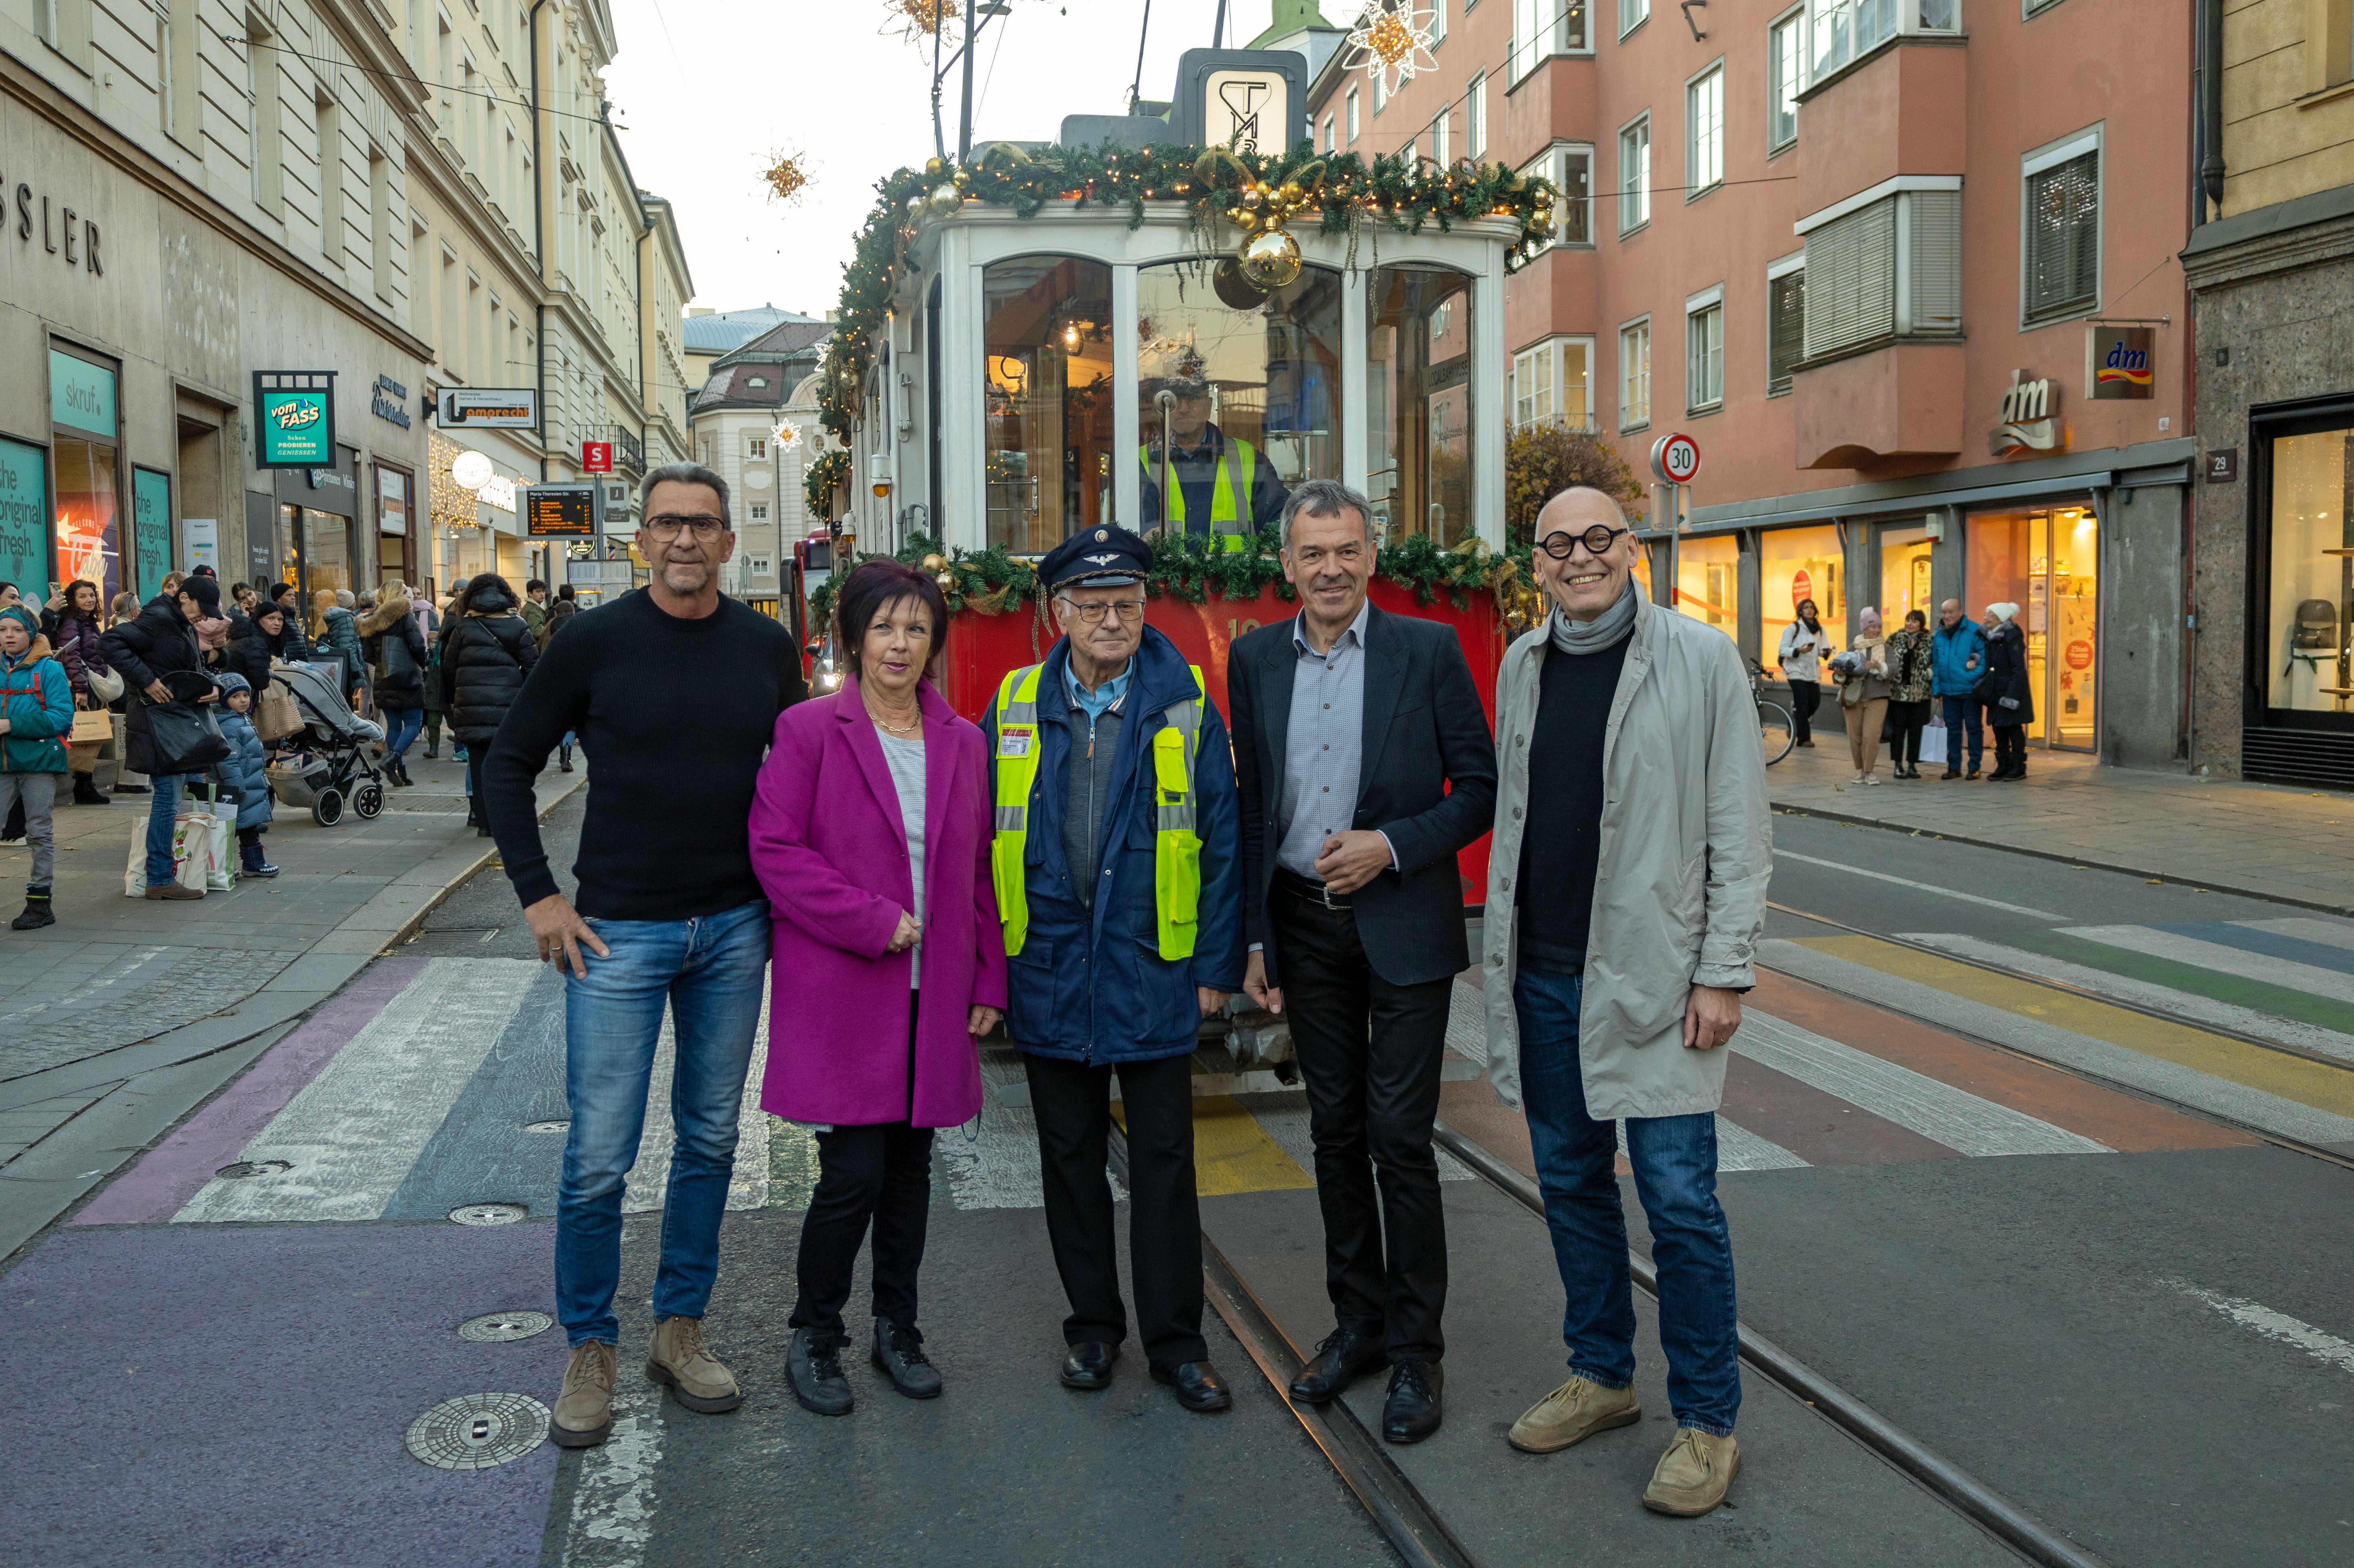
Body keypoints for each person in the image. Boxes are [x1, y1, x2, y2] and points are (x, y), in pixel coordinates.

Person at [481, 462, 805, 1449]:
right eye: (667, 523)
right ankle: (591, 1345)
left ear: (728, 541)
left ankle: (678, 1328)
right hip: (618, 931)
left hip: (735, 927)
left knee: (709, 1138)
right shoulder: (592, 639)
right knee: (597, 1159)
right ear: (642, 537)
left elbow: (801, 781)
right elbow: (506, 761)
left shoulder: (765, 647)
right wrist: (539, 893)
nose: (684, 540)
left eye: (702, 525)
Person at [1481, 486, 1770, 1520]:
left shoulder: (1699, 659)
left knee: (1681, 1203)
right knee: (1569, 1181)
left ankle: (1706, 1419)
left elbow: (1739, 824)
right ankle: (1602, 1373)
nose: (1580, 557)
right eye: (1558, 544)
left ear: (1632, 548)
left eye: (1599, 537)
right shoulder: (1523, 663)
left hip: (1656, 978)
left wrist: (1724, 969)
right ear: (1539, 562)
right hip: (1546, 974)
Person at [1228, 479, 1499, 1445]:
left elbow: (1477, 788)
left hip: (1404, 920)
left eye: (1346, 549)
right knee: (1334, 1132)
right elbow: (1255, 807)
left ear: (1371, 555)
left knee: (1397, 1132)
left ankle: (1419, 1353)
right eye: (1313, 553)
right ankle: (1361, 1326)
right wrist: (1255, 936)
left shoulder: (1426, 649)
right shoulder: (1256, 657)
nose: (1331, 567)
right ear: (1287, 566)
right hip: (1303, 925)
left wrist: (1392, 843)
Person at [982, 523, 1243, 1413]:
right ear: (1059, 613)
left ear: (1144, 608)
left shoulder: (1186, 704)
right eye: (1091, 606)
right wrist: (989, 972)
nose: (1110, 620)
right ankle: (1093, 1330)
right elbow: (981, 848)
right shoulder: (1015, 703)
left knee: (1167, 1162)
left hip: (1153, 964)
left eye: (1125, 605)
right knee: (1070, 1158)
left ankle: (1178, 1343)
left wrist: (1214, 961)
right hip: (1049, 963)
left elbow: (1220, 837)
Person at [750, 560, 1006, 1416]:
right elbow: (775, 851)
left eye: (917, 629)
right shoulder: (811, 729)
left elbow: (976, 868)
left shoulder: (964, 742)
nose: (900, 645)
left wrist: (987, 978)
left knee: (910, 1172)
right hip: (848, 984)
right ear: (855, 636)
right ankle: (816, 1331)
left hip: (933, 993)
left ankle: (898, 1327)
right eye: (885, 627)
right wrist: (872, 920)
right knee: (851, 1173)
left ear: (935, 642)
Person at [100, 575, 222, 902]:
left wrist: (215, 687)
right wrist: (146, 680)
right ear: (183, 597)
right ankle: (158, 877)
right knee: (166, 800)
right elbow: (109, 643)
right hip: (158, 725)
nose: (205, 616)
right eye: (202, 608)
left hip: (175, 723)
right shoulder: (159, 618)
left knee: (172, 798)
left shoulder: (179, 622)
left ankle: (164, 874)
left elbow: (190, 667)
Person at [441, 576, 538, 835]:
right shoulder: (519, 625)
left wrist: (459, 695)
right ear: (507, 596)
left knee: (478, 764)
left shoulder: (464, 627)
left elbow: (449, 666)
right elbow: (532, 667)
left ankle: (484, 824)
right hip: (508, 706)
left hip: (471, 706)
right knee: (505, 765)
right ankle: (504, 819)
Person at [1139, 377, 1290, 541]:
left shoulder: (1249, 458)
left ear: (1209, 406)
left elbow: (1281, 527)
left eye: (1193, 398)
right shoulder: (1140, 461)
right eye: (1174, 400)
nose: (1183, 408)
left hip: (1234, 568)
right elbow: (1133, 529)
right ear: (1160, 409)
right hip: (1165, 568)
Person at [0, 604, 73, 928]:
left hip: (39, 762)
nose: (9, 636)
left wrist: (11, 724)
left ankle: (40, 903)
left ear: (31, 632)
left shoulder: (49, 669)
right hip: (2, 763)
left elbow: (60, 717)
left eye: (16, 630)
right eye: (3, 630)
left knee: (39, 832)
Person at [359, 583, 427, 787]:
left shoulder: (371, 620)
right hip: (408, 678)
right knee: (414, 724)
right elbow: (418, 644)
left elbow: (367, 655)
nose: (409, 596)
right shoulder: (405, 615)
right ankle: (393, 759)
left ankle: (399, 772)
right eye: (406, 592)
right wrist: (421, 664)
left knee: (395, 725)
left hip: (383, 679)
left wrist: (383, 666)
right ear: (398, 594)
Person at [210, 673, 278, 879]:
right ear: (224, 700)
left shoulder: (241, 719)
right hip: (238, 787)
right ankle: (226, 867)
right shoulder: (229, 725)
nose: (243, 700)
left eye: (245, 695)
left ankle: (250, 864)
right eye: (235, 697)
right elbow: (228, 760)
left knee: (247, 826)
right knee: (232, 829)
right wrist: (236, 787)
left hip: (249, 784)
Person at [52, 580, 113, 805]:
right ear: (72, 599)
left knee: (89, 739)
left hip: (91, 685)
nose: (90, 600)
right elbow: (70, 656)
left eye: (92, 596)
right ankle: (83, 787)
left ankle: (85, 786)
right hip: (83, 687)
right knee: (84, 738)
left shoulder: (87, 622)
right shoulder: (72, 622)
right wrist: (80, 690)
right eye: (83, 596)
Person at [1831, 608, 1892, 785]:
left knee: (1871, 736)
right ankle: (1861, 771)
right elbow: (1838, 677)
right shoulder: (1854, 647)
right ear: (1864, 629)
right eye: (1873, 627)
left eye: (1879, 627)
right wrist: (1841, 673)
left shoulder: (1887, 648)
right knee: (1855, 737)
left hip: (1878, 697)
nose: (1877, 631)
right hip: (1853, 698)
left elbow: (1894, 670)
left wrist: (1879, 666)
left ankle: (1870, 771)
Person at [1930, 598, 1987, 780]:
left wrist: (1970, 678)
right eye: (1944, 612)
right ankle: (1954, 767)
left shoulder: (1974, 630)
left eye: (1950, 612)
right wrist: (1937, 689)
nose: (1946, 616)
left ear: (1961, 612)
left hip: (1969, 691)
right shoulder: (1940, 633)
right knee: (1953, 730)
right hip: (1948, 691)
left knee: (1973, 729)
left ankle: (1974, 767)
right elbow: (1937, 664)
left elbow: (1984, 659)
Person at [1982, 602, 2035, 781]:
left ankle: (2018, 767)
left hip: (2010, 691)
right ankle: (2004, 766)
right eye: (1986, 614)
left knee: (2013, 728)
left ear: (2001, 617)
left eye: (1990, 614)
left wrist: (2011, 696)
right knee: (1999, 728)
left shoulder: (2012, 637)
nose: (1986, 617)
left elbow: (2019, 669)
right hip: (1996, 691)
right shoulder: (1990, 637)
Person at [1885, 609, 1935, 780]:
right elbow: (1886, 660)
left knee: (1917, 731)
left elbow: (1937, 662)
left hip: (1920, 694)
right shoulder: (1895, 638)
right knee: (1898, 731)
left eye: (1914, 621)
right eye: (1908, 620)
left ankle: (1913, 765)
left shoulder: (1930, 640)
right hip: (1898, 694)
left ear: (1922, 624)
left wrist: (1930, 673)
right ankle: (1898, 765)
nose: (1909, 624)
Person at [1774, 599, 1827, 749]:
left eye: (1812, 608)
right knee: (1802, 703)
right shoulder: (1794, 628)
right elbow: (1782, 649)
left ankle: (1795, 722)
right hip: (1795, 670)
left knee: (1815, 703)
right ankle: (1804, 739)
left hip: (1812, 671)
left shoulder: (1820, 629)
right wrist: (1798, 650)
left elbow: (1823, 649)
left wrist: (1826, 652)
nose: (1810, 610)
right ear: (1800, 611)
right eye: (1806, 608)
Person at [545, 585, 580, 770]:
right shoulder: (580, 624)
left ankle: (561, 749)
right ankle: (566, 754)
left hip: (553, 678)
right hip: (575, 678)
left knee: (558, 718)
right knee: (572, 721)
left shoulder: (548, 628)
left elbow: (540, 652)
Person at [313, 588, 365, 706]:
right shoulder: (346, 619)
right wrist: (356, 671)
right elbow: (347, 648)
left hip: (342, 664)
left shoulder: (339, 618)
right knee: (346, 703)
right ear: (351, 604)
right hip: (347, 667)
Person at [522, 579, 550, 646]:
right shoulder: (533, 609)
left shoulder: (531, 607)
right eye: (538, 592)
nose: (542, 594)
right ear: (530, 594)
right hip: (535, 647)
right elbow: (537, 632)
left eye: (543, 591)